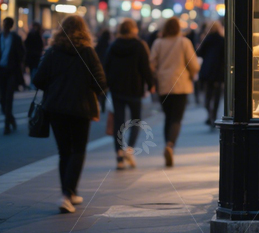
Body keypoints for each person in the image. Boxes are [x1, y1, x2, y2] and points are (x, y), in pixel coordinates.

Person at [33, 15, 106, 213]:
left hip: (56, 108)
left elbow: (38, 80)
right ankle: (67, 194)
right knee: (78, 150)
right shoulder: (88, 52)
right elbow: (100, 82)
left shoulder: (53, 52)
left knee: (64, 151)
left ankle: (69, 193)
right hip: (81, 108)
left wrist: (54, 84)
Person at [104, 18, 154, 169]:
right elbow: (145, 68)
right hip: (135, 89)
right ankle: (130, 149)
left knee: (118, 122)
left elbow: (106, 67)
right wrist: (151, 84)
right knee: (136, 120)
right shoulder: (139, 45)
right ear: (134, 29)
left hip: (117, 89)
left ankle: (119, 155)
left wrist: (106, 85)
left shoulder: (114, 46)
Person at [150, 17, 199, 167]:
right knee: (176, 118)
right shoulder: (184, 42)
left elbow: (151, 64)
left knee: (168, 117)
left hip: (164, 85)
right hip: (180, 85)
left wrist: (158, 75)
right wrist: (191, 74)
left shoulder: (158, 43)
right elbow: (194, 65)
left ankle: (167, 144)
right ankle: (170, 145)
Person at [196, 21, 224, 128]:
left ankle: (210, 113)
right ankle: (214, 115)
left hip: (207, 71)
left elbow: (199, 53)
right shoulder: (222, 40)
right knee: (217, 95)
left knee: (207, 94)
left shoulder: (206, 39)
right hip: (219, 71)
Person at [0, 17, 24, 135]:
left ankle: (7, 126)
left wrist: (20, 69)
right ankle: (11, 119)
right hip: (1, 72)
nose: (4, 27)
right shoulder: (0, 37)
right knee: (2, 100)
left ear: (10, 26)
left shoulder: (16, 38)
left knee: (8, 99)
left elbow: (21, 54)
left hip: (11, 72)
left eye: (6, 25)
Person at [24, 21, 44, 86]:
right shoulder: (36, 35)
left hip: (32, 56)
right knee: (34, 70)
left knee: (32, 70)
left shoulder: (32, 34)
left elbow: (26, 44)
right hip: (34, 56)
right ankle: (33, 83)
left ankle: (32, 83)